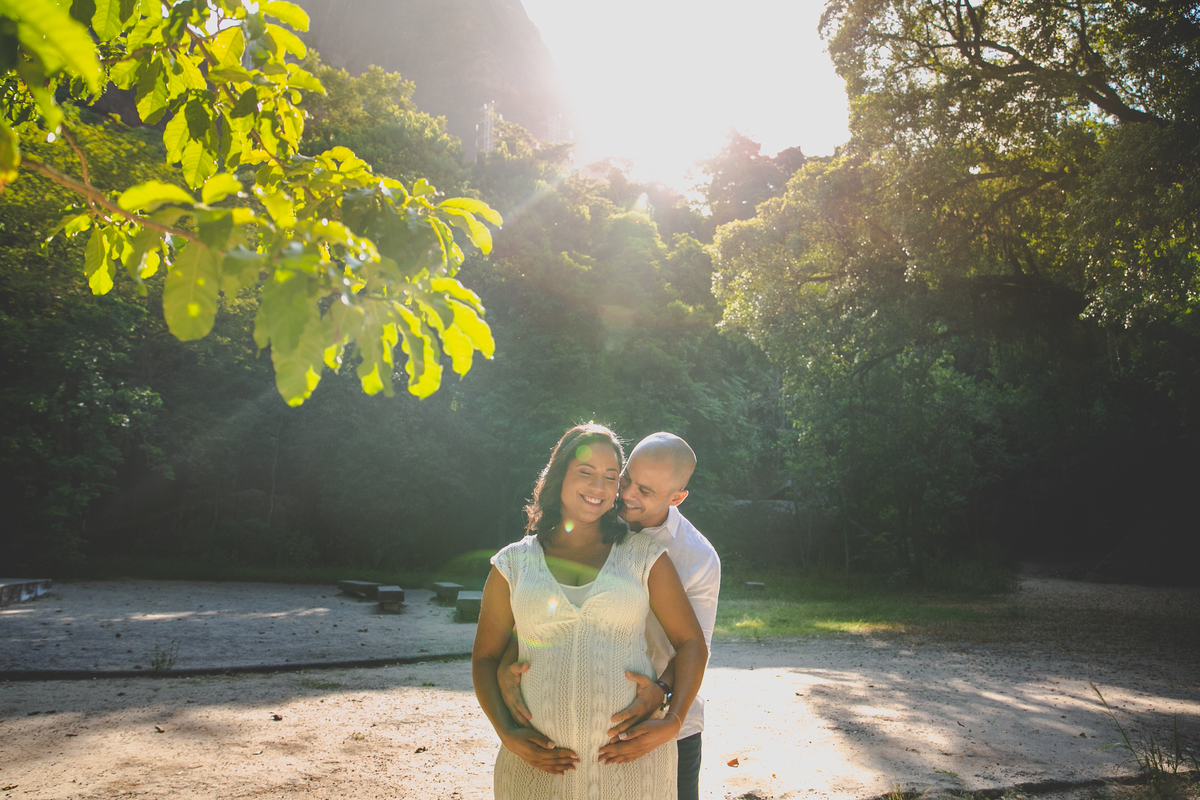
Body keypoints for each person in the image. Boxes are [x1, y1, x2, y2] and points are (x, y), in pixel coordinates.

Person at [472, 424, 709, 800]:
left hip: (632, 772)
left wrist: (673, 718)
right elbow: (485, 656)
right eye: (586, 472)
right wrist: (507, 733)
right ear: (558, 474)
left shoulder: (647, 556)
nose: (600, 486)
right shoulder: (513, 564)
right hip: (535, 773)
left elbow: (693, 642)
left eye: (611, 477)